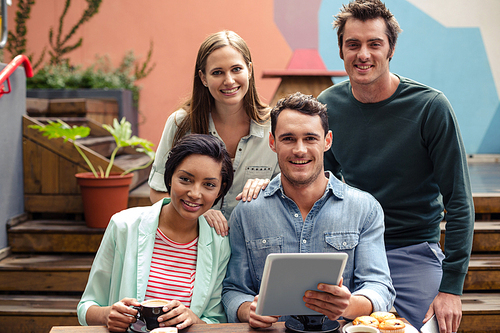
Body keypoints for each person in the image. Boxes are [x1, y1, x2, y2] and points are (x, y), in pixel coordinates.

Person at [317, 1, 474, 332]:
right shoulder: (328, 106)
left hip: (413, 249)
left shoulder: (430, 108)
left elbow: (459, 202)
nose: (363, 54)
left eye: (374, 44)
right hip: (353, 251)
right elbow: (317, 183)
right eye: (353, 44)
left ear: (391, 50)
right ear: (341, 51)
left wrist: (451, 288)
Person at [222, 92, 395, 328]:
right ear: (272, 143)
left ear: (327, 141)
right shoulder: (247, 212)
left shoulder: (364, 209)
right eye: (288, 139)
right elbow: (233, 290)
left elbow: (380, 288)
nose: (300, 149)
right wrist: (247, 310)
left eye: (310, 138)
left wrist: (350, 305)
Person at [77, 134, 234, 332]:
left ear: (220, 191)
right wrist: (107, 315)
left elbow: (215, 320)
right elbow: (86, 308)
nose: (195, 193)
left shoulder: (219, 242)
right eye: (185, 179)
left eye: (209, 185)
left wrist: (193, 319)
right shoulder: (124, 225)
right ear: (169, 178)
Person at [149, 30, 280, 235]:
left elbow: (291, 194)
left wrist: (270, 189)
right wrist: (199, 213)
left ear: (249, 70)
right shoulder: (180, 124)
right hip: (196, 244)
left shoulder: (276, 126)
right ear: (203, 77)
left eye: (236, 69)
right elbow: (157, 192)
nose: (229, 80)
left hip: (253, 247)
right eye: (217, 72)